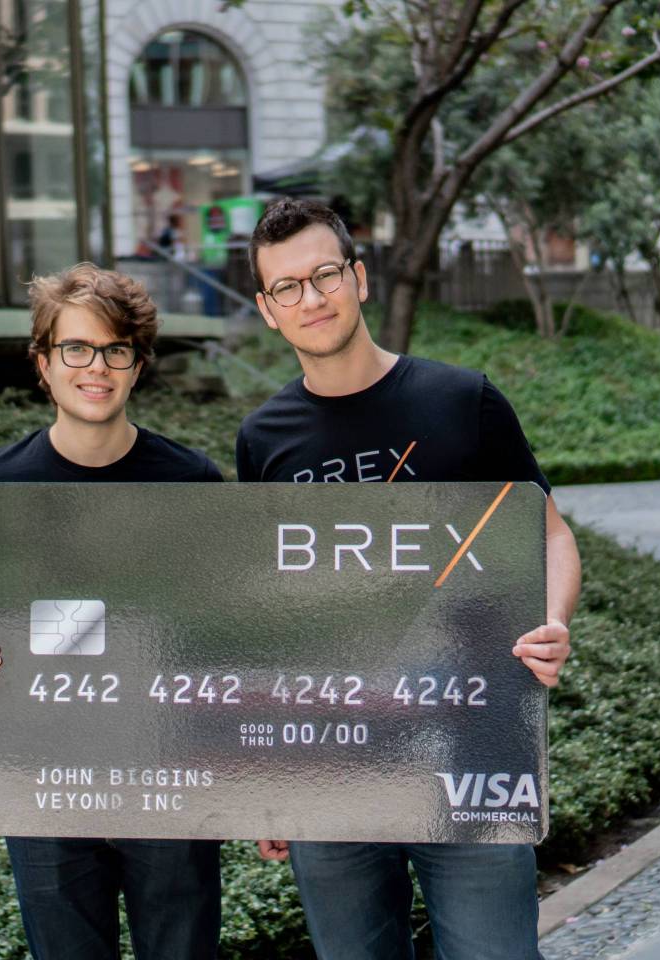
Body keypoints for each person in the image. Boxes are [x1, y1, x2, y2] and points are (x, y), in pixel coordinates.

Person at [235, 198, 582, 960]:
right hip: (330, 770)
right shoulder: (262, 441)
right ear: (267, 310)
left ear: (358, 278)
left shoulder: (464, 401)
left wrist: (553, 621)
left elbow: (549, 535)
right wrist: (268, 774)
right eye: (286, 287)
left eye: (324, 274)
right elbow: (276, 618)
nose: (310, 298)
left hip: (472, 750)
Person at [0, 263, 225, 960]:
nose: (97, 367)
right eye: (76, 348)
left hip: (168, 776)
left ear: (137, 364)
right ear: (43, 362)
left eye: (115, 350)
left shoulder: (193, 482)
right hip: (46, 779)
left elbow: (227, 638)